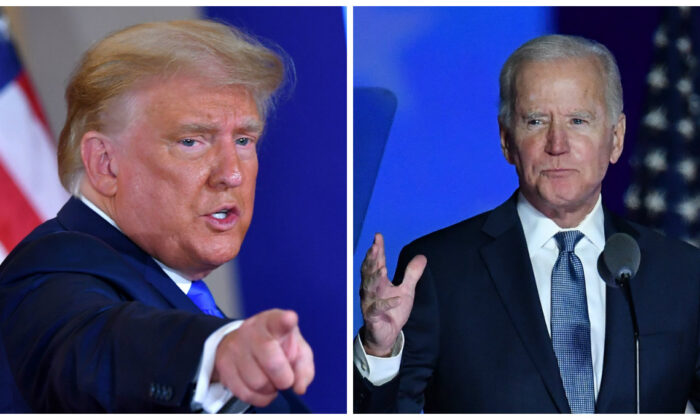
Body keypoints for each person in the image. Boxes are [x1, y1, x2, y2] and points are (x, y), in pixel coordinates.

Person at [354, 34, 700, 413]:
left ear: (615, 139)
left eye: (578, 120)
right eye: (536, 121)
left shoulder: (682, 272)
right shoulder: (438, 270)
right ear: (506, 140)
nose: (557, 144)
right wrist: (380, 351)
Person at [0, 19, 314, 413]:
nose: (231, 174)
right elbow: (97, 346)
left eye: (243, 140)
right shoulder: (48, 272)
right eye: (191, 141)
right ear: (105, 163)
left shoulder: (175, 290)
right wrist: (214, 352)